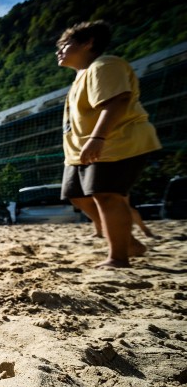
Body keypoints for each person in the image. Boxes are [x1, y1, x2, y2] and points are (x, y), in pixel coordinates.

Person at [56, 21, 162, 268]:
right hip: (80, 149)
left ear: (88, 43)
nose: (59, 51)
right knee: (77, 195)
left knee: (107, 195)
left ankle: (118, 257)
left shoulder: (105, 64)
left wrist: (97, 137)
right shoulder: (80, 77)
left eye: (65, 45)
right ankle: (129, 243)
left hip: (115, 141)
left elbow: (116, 102)